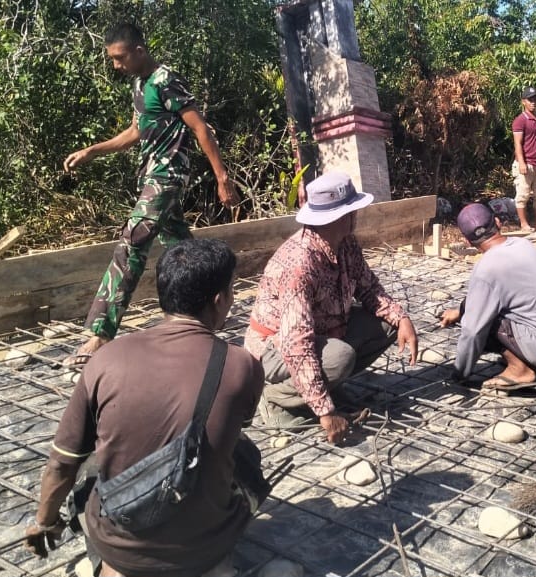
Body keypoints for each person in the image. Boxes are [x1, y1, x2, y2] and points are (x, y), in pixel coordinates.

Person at [24, 238, 264, 577]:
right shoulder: (244, 367)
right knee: (245, 456)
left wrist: (43, 522)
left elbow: (61, 465)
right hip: (205, 552)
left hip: (121, 553)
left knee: (91, 468)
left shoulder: (106, 360)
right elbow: (233, 429)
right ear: (219, 299)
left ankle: (109, 564)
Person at [62, 22, 240, 366]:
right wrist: (92, 151)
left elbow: (200, 127)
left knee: (131, 244)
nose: (116, 65)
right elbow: (134, 131)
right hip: (152, 176)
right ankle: (214, 298)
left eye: (120, 58)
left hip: (167, 177)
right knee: (183, 250)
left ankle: (100, 332)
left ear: (139, 51)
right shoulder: (140, 84)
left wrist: (222, 177)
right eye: (113, 59)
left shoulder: (165, 80)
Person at [244, 171, 418, 445]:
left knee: (385, 326)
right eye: (353, 211)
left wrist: (401, 317)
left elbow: (368, 288)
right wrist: (326, 412)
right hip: (274, 349)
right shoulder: (299, 266)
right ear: (340, 217)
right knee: (340, 357)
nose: (356, 216)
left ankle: (321, 388)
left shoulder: (345, 244)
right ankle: (276, 398)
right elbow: (296, 345)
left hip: (324, 332)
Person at [440, 203, 536, 390]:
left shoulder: (486, 269)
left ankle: (519, 369)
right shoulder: (524, 245)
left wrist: (459, 374)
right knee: (485, 305)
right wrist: (460, 310)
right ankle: (529, 359)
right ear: (498, 222)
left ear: (466, 241)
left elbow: (472, 331)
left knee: (483, 319)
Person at [512, 87, 536, 232]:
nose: (533, 102)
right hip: (526, 163)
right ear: (524, 102)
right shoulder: (520, 121)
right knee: (523, 194)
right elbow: (518, 143)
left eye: (535, 99)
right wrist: (521, 162)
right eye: (530, 99)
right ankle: (524, 224)